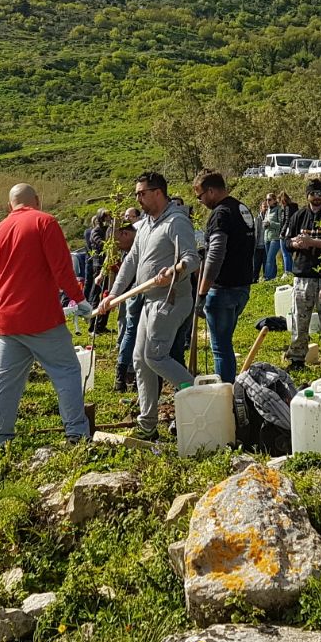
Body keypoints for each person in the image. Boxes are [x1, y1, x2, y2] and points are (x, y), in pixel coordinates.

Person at [0, 184, 92, 449]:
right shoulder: (45, 222)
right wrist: (80, 300)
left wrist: (3, 309)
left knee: (6, 381)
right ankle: (76, 433)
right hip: (42, 318)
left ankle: (1, 439)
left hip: (7, 322)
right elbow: (62, 268)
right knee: (66, 371)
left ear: (10, 206)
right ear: (37, 201)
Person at [100, 172, 200, 441]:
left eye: (142, 193)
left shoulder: (176, 222)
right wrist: (113, 294)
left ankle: (196, 395)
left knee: (155, 356)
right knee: (139, 360)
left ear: (158, 193)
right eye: (137, 194)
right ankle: (148, 425)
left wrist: (175, 271)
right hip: (149, 300)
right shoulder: (144, 226)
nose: (138, 198)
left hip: (171, 299)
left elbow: (192, 259)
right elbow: (131, 262)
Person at [193, 170, 257, 384]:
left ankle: (225, 391)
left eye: (200, 196)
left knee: (220, 348)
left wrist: (202, 292)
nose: (200, 201)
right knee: (226, 343)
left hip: (223, 289)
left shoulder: (220, 214)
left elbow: (216, 254)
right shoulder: (242, 208)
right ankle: (228, 387)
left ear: (211, 191)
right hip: (242, 286)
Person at [284, 179, 321, 374]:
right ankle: (297, 357)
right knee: (300, 321)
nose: (317, 198)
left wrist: (313, 242)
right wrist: (295, 244)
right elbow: (286, 241)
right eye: (313, 194)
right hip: (302, 275)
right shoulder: (299, 215)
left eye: (320, 194)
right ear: (307, 195)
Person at [105, 221, 140, 391]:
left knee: (132, 332)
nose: (119, 248)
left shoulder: (141, 242)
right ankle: (126, 375)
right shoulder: (132, 251)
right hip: (134, 296)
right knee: (133, 332)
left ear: (125, 234)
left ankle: (127, 375)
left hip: (139, 294)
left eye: (118, 244)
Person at [260, 193, 287, 281]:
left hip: (275, 238)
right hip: (266, 237)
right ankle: (273, 278)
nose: (267, 201)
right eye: (266, 199)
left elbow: (281, 224)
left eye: (269, 200)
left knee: (269, 259)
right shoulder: (267, 210)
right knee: (271, 259)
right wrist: (264, 224)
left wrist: (270, 224)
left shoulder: (279, 210)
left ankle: (267, 278)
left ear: (275, 200)